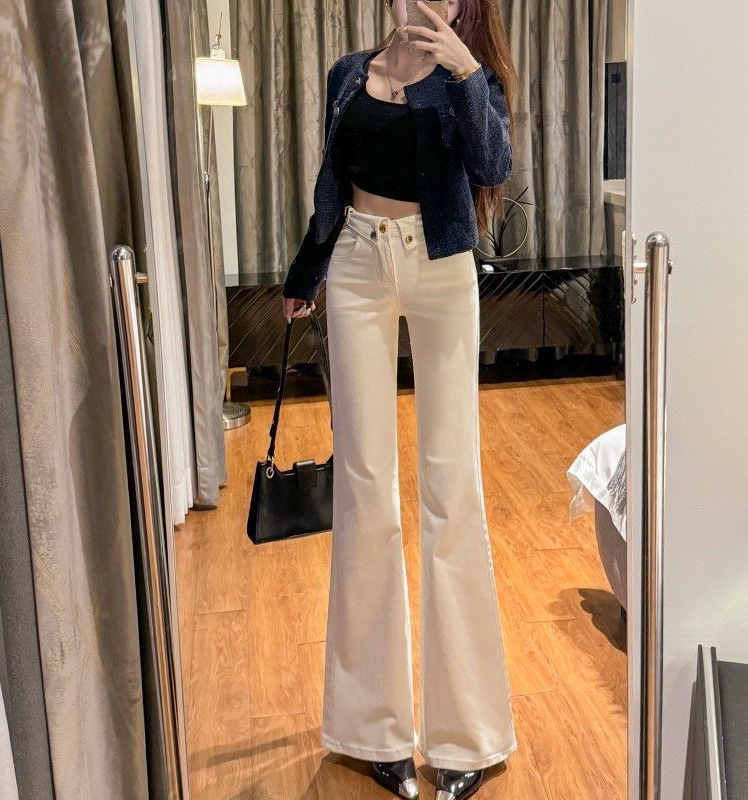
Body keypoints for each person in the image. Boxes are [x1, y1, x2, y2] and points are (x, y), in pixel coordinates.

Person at [281, 2, 518, 798]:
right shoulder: (349, 74)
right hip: (355, 265)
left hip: (441, 271)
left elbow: (492, 164)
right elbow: (331, 182)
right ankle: (371, 728)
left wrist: (464, 68)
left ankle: (467, 736)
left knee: (452, 489)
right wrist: (307, 271)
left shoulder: (468, 76)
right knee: (364, 487)